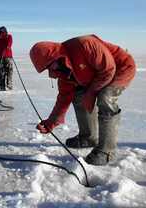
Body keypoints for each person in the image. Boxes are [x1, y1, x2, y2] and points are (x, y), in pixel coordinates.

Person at [29, 34, 136, 165]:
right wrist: (51, 122)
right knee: (78, 95)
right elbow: (64, 98)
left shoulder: (85, 44)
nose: (51, 70)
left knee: (105, 97)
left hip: (120, 68)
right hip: (97, 75)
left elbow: (108, 70)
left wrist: (91, 93)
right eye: (47, 68)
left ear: (56, 56)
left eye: (50, 65)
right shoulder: (63, 72)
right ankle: (88, 137)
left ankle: (107, 151)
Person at [0, 26, 14, 90]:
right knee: (4, 72)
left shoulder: (8, 36)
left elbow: (10, 42)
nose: (2, 33)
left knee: (7, 71)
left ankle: (7, 84)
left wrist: (8, 46)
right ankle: (4, 86)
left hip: (6, 56)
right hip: (2, 57)